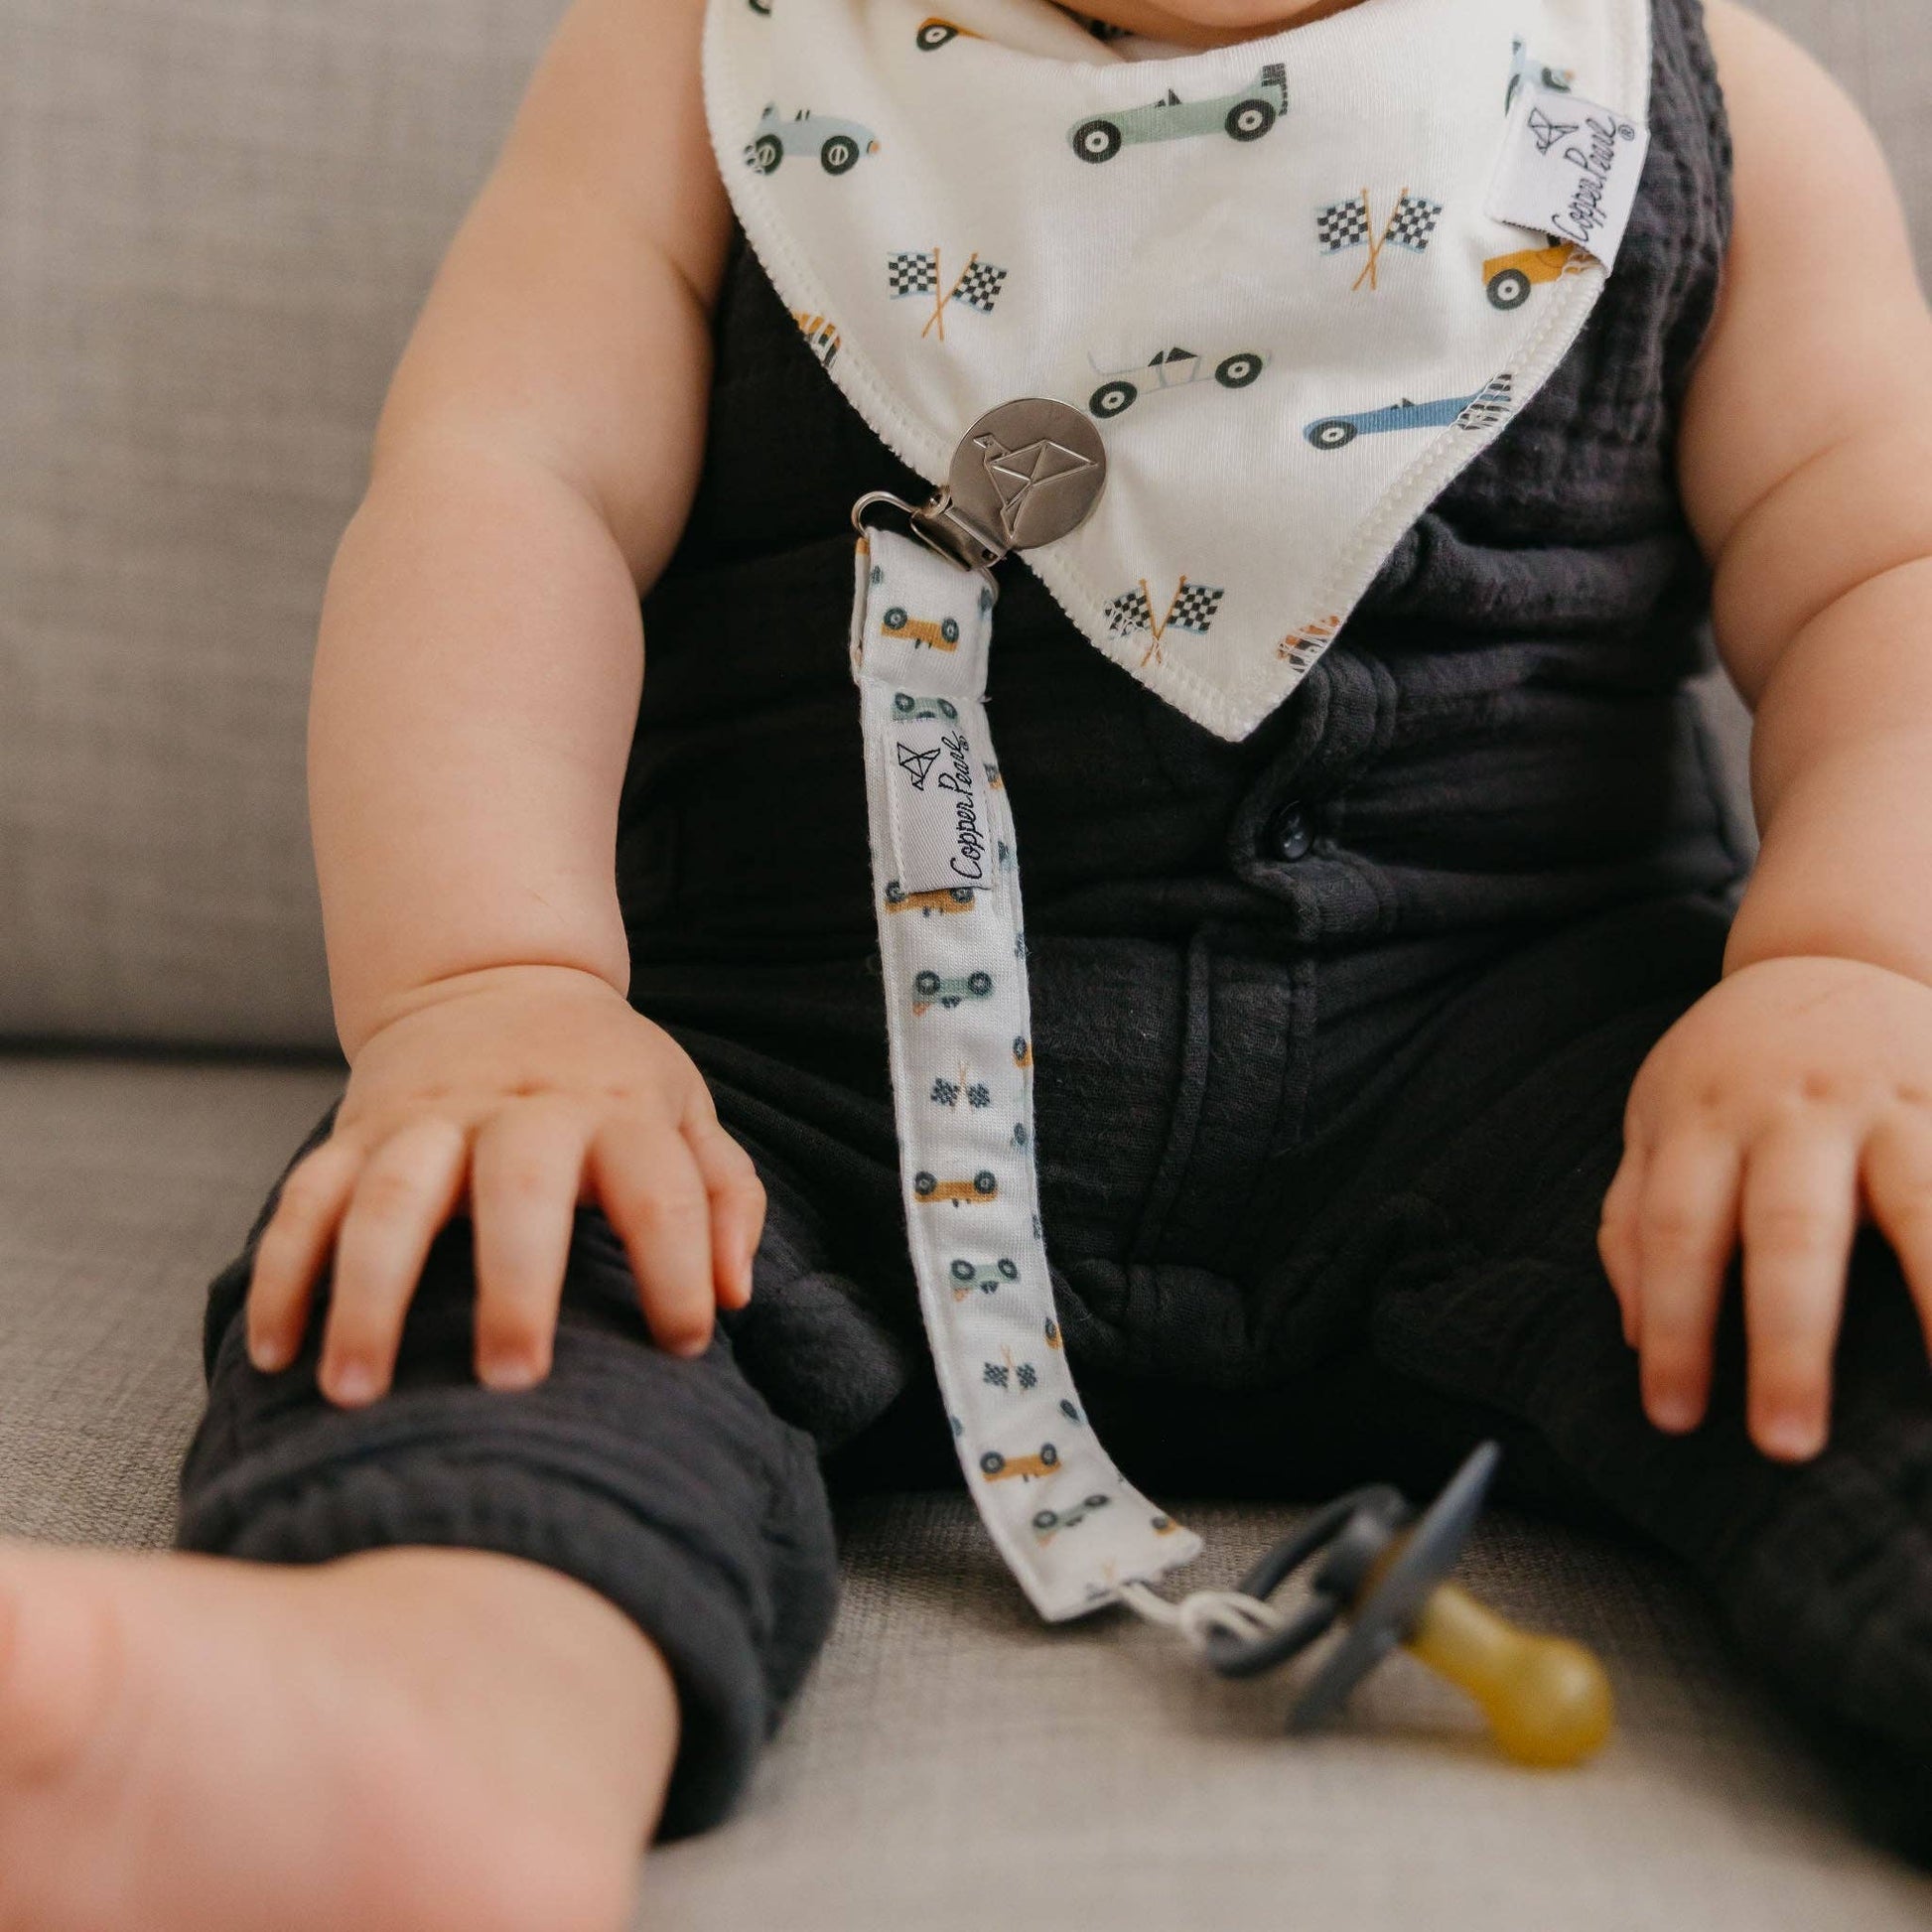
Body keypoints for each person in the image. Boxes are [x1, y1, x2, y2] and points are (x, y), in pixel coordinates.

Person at [5, 0, 1932, 1925]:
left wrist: (1851, 960)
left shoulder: (1707, 114)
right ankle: (433, 1707)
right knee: (505, 1244)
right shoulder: (700, 64)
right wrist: (491, 987)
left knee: (1856, 1230)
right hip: (792, 1087)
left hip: (1533, 1080)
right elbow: (512, 488)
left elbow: (1885, 573)